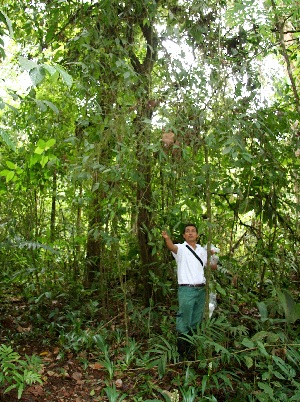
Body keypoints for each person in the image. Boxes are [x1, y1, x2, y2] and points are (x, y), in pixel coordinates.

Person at [162, 224, 218, 360]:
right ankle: (182, 353)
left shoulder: (202, 250)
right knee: (184, 319)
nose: (191, 233)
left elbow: (213, 267)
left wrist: (213, 255)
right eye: (187, 231)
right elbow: (171, 247)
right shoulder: (180, 248)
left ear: (197, 235)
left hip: (201, 290)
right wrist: (166, 238)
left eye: (193, 231)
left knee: (196, 320)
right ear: (184, 236)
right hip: (186, 289)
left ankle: (191, 351)